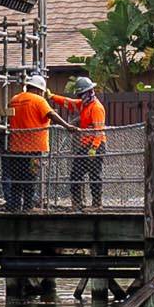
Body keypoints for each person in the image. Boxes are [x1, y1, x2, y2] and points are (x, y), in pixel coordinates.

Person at [52, 75, 107, 208]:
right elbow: (68, 102)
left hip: (96, 145)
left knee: (95, 176)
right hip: (85, 145)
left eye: (82, 94)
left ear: (89, 92)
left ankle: (97, 204)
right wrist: (52, 96)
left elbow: (99, 132)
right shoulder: (84, 105)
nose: (80, 96)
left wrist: (93, 149)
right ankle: (77, 204)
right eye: (80, 94)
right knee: (75, 174)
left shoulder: (96, 108)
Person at [4, 72, 50, 210]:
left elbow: (8, 119)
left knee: (17, 180)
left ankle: (15, 206)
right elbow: (50, 113)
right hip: (33, 149)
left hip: (15, 148)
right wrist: (68, 126)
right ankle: (28, 206)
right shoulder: (38, 100)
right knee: (31, 179)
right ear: (37, 89)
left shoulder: (14, 99)